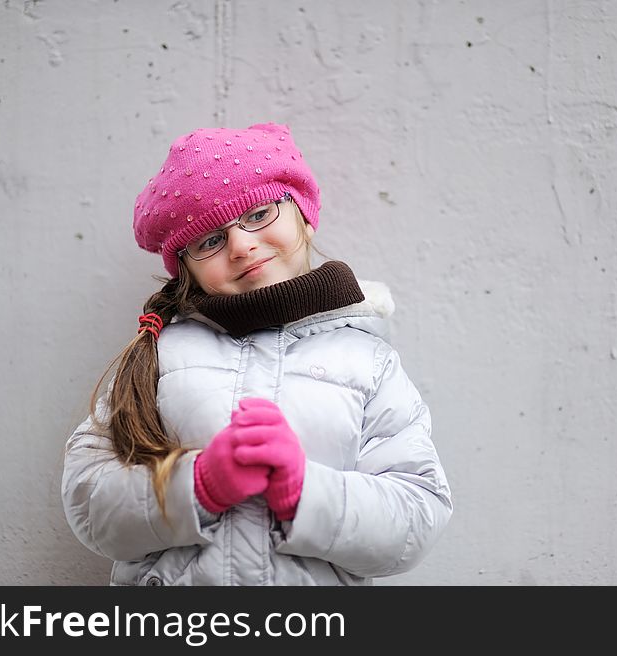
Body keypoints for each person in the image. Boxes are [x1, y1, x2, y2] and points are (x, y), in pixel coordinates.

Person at [61, 122, 452, 585]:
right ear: (185, 267)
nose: (242, 246)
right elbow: (89, 501)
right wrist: (199, 485)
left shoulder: (368, 362)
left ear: (303, 213)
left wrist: (306, 494)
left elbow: (417, 515)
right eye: (210, 240)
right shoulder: (159, 356)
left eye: (260, 213)